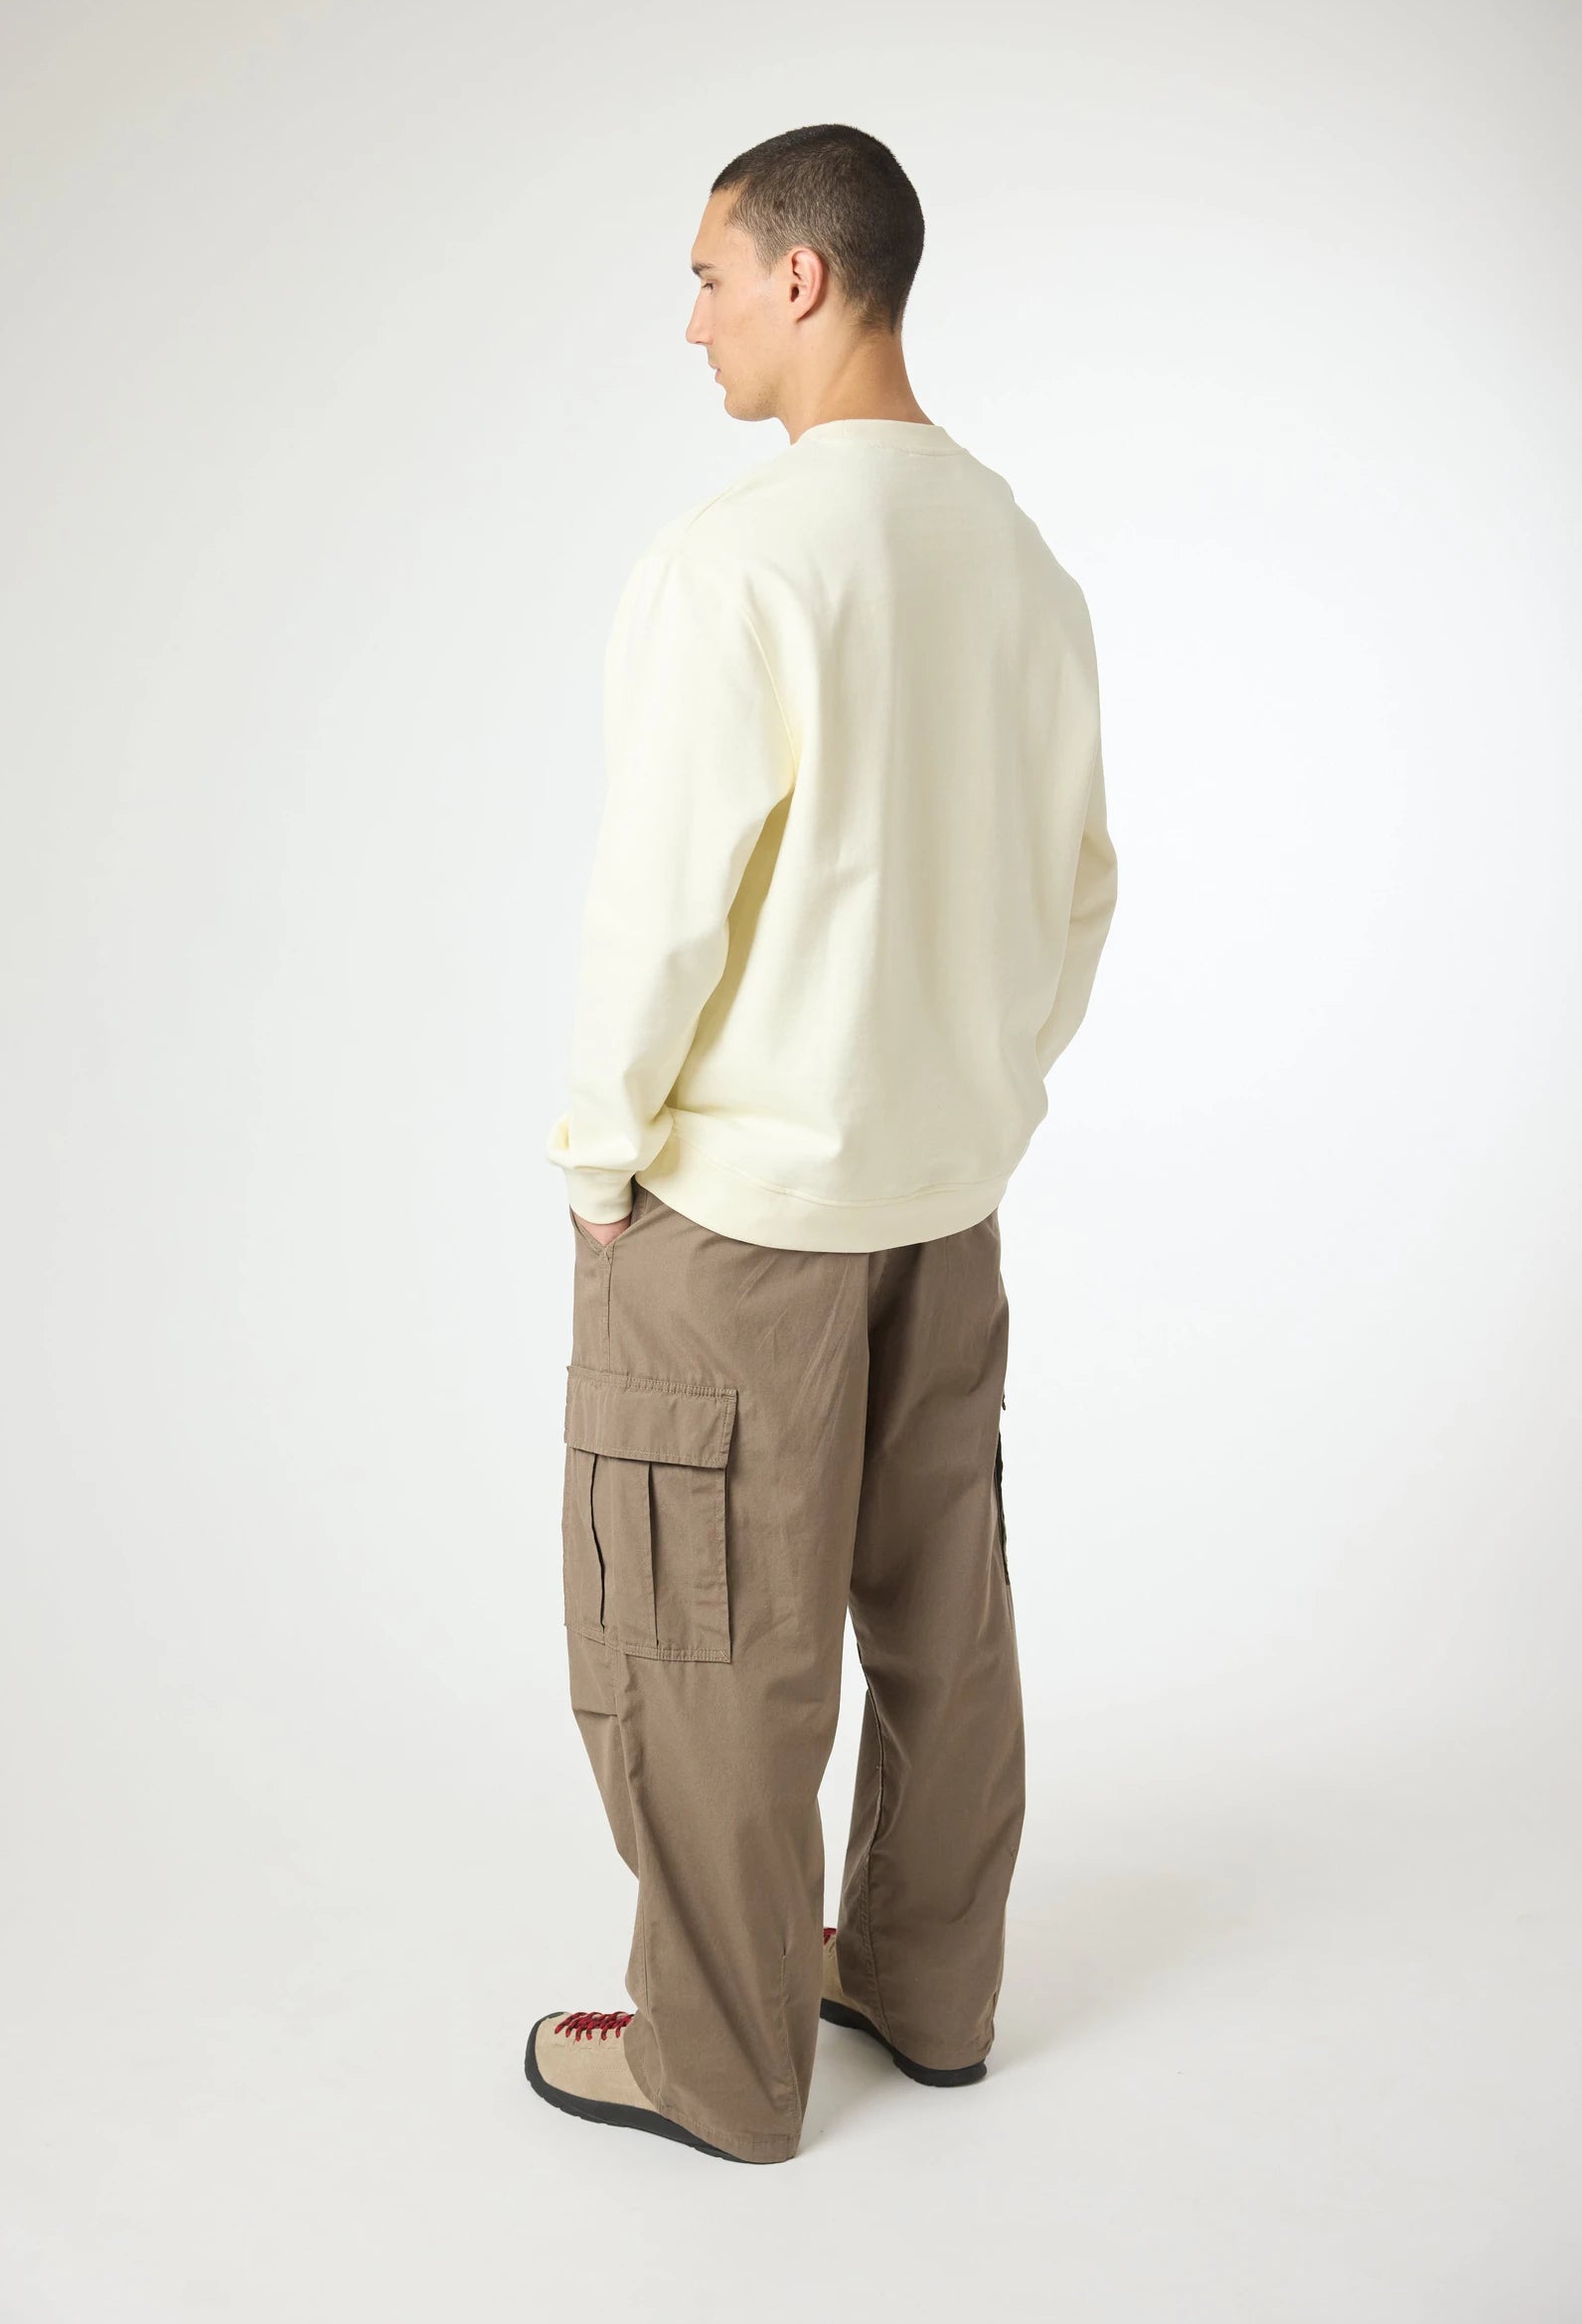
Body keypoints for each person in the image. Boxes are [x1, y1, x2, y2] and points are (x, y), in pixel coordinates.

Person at [532, 122, 1118, 2164]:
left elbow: (658, 909)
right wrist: (974, 1092)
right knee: (939, 1607)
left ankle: (717, 2061)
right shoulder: (1020, 560)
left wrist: (600, 1158)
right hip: (943, 1202)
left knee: (703, 1638)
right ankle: (927, 1988)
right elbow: (1080, 887)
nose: (690, 319)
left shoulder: (741, 561)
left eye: (709, 276)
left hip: (744, 1215)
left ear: (804, 276)